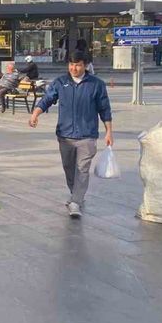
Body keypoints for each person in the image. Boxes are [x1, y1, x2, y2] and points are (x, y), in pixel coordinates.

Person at [30, 51, 113, 218]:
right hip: (65, 135)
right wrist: (35, 113)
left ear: (86, 65)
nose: (74, 68)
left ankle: (75, 201)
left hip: (87, 135)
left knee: (82, 169)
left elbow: (104, 109)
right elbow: (47, 99)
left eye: (78, 65)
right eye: (71, 65)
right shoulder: (61, 82)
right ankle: (76, 194)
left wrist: (109, 131)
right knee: (69, 168)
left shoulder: (96, 84)